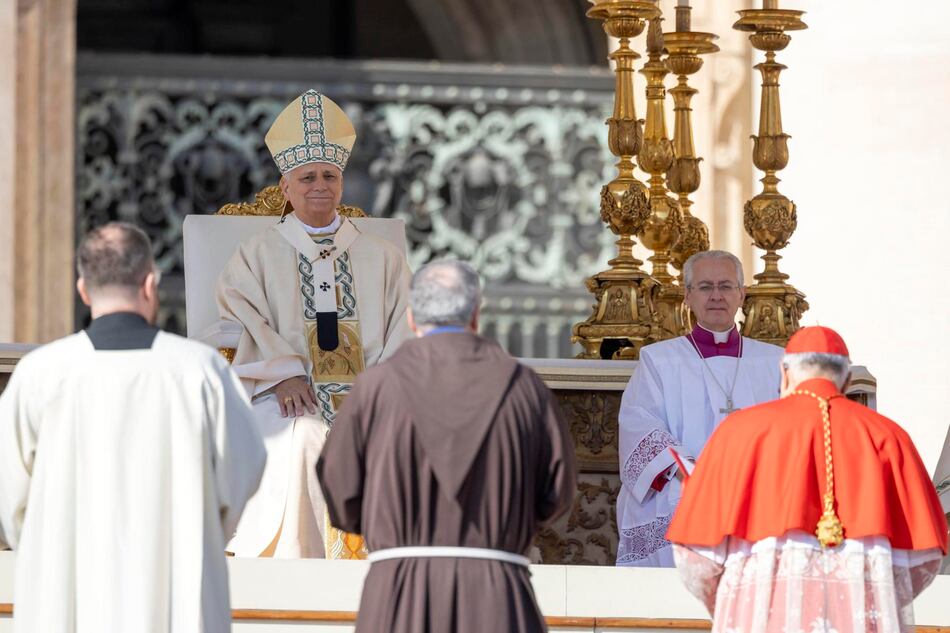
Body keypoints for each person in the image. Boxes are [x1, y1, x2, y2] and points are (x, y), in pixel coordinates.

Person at [0, 222, 265, 633]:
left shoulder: (40, 374)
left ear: (83, 290)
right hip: (173, 594)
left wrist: (49, 548)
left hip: (68, 597)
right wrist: (200, 533)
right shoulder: (199, 371)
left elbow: (11, 493)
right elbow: (244, 469)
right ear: (150, 284)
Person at [317, 260, 577, 633]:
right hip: (496, 596)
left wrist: (390, 526)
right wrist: (501, 527)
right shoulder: (524, 388)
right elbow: (558, 492)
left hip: (399, 595)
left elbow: (340, 491)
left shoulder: (375, 388)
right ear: (475, 315)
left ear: (411, 318)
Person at [217, 89, 413, 558]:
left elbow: (405, 329)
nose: (319, 185)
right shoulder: (257, 254)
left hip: (371, 394)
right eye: (307, 177)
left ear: (342, 184)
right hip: (288, 392)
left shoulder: (383, 256)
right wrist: (282, 374)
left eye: (329, 175)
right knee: (303, 436)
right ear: (285, 187)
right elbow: (241, 315)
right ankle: (302, 564)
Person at [668, 326, 948, 633]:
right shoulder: (889, 436)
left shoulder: (738, 432)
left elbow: (696, 560)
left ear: (784, 373)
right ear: (847, 380)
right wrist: (873, 596)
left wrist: (731, 604)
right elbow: (923, 561)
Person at [616, 250, 784, 567]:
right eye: (706, 287)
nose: (716, 296)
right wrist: (690, 473)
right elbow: (640, 422)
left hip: (757, 486)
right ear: (688, 296)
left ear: (742, 294)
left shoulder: (773, 361)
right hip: (685, 484)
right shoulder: (659, 359)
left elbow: (790, 429)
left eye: (726, 286)